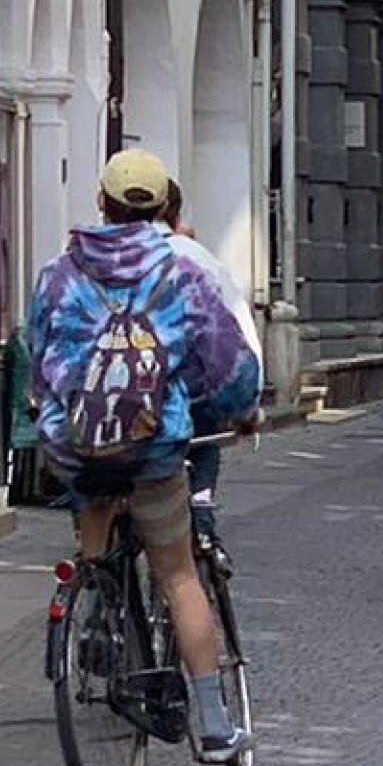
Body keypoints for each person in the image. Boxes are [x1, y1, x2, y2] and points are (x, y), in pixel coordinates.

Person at [28, 148, 263, 763]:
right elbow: (226, 362)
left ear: (100, 202)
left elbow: (37, 352)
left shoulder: (58, 272)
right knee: (178, 575)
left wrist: (48, 410)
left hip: (78, 446)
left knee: (95, 522)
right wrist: (243, 411)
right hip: (154, 445)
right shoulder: (180, 271)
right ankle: (215, 728)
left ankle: (94, 601)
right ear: (163, 208)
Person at [156, 178, 259, 538]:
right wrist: (246, 404)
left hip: (105, 408)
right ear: (174, 212)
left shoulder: (87, 256)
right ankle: (201, 522)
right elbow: (231, 335)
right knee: (203, 439)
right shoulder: (193, 259)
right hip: (184, 400)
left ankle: (93, 555)